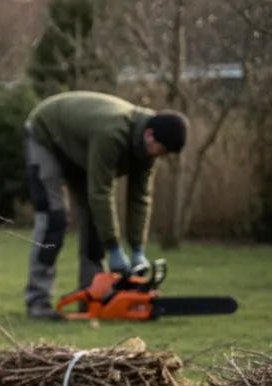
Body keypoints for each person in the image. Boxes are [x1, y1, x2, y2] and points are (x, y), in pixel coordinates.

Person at [20, 90, 189, 319]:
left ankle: (93, 297)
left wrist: (137, 248)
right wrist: (114, 248)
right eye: (162, 150)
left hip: (80, 149)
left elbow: (140, 198)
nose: (161, 156)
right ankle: (37, 300)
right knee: (54, 219)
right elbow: (101, 192)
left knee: (94, 221)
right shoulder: (112, 134)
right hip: (47, 135)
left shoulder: (147, 152)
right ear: (149, 135)